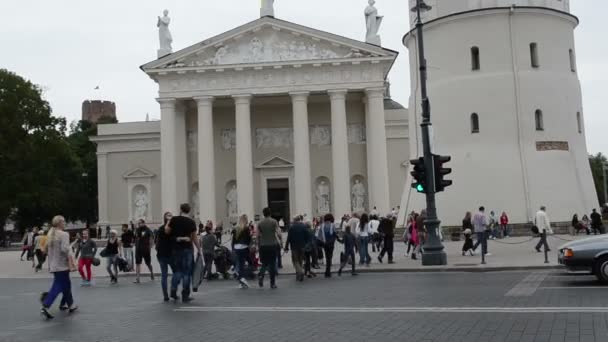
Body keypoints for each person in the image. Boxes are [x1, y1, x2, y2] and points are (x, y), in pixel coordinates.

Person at [40, 216, 77, 320]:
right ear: (60, 223)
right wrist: (71, 253)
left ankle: (71, 305)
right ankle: (46, 305)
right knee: (58, 286)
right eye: (64, 221)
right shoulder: (64, 234)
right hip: (62, 265)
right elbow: (65, 249)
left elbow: (46, 250)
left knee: (66, 285)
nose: (65, 223)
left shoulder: (50, 234)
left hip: (54, 265)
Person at [166, 204, 200, 302]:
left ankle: (173, 290)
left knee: (177, 271)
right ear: (189, 211)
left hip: (176, 249)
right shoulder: (191, 222)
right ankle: (185, 295)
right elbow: (194, 237)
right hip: (188, 249)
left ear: (180, 210)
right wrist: (199, 249)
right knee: (187, 273)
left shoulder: (174, 219)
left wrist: (169, 222)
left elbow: (167, 232)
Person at [256, 207, 281, 288]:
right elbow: (279, 233)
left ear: (263, 214)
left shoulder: (260, 223)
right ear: (270, 213)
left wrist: (258, 245)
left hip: (263, 245)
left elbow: (257, 235)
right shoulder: (274, 221)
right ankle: (272, 283)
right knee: (272, 264)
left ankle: (261, 276)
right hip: (272, 245)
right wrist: (280, 241)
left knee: (264, 263)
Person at [284, 215, 311, 282]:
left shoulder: (291, 227)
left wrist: (286, 247)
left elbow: (288, 238)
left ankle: (300, 272)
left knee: (295, 261)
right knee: (300, 260)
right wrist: (307, 245)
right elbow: (308, 237)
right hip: (302, 246)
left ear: (294, 220)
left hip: (294, 247)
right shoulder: (304, 227)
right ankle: (298, 275)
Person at [155, 212, 174, 301]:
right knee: (174, 273)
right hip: (168, 255)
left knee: (165, 275)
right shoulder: (171, 229)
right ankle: (171, 292)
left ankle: (166, 295)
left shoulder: (160, 229)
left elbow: (157, 242)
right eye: (169, 216)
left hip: (162, 254)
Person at [233, 214, 252, 289]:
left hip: (237, 247)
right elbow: (248, 239)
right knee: (242, 264)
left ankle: (241, 282)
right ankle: (242, 278)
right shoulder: (246, 228)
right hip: (243, 247)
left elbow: (233, 239)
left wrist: (233, 247)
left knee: (240, 263)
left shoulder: (236, 228)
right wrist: (248, 244)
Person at [134, 219, 154, 284]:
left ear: (143, 223)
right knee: (137, 263)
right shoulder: (137, 230)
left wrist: (150, 247)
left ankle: (151, 272)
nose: (139, 224)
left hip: (145, 249)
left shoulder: (148, 230)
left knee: (148, 263)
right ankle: (137, 278)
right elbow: (136, 238)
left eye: (140, 223)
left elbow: (151, 238)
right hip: (138, 249)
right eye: (138, 223)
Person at [317, 213, 337, 278]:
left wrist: (322, 242)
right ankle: (328, 272)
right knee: (329, 257)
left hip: (325, 243)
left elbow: (319, 236)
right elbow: (334, 234)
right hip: (331, 243)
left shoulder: (322, 226)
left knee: (327, 256)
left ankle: (327, 271)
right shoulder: (332, 225)